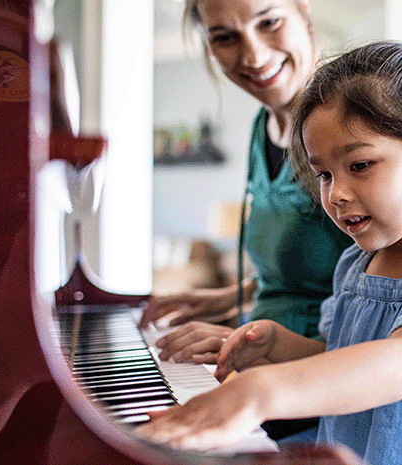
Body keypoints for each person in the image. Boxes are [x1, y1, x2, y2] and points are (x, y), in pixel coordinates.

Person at [137, 41, 402, 464]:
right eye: (324, 174)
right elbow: (342, 360)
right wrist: (274, 344)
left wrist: (262, 391)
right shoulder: (355, 262)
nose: (335, 194)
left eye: (359, 166)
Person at [140, 0, 351, 368]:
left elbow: (386, 293)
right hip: (261, 370)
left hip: (319, 381)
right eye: (224, 37)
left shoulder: (347, 125)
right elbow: (313, 268)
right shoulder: (262, 126)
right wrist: (229, 296)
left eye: (268, 22)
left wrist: (244, 338)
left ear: (304, 11)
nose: (253, 55)